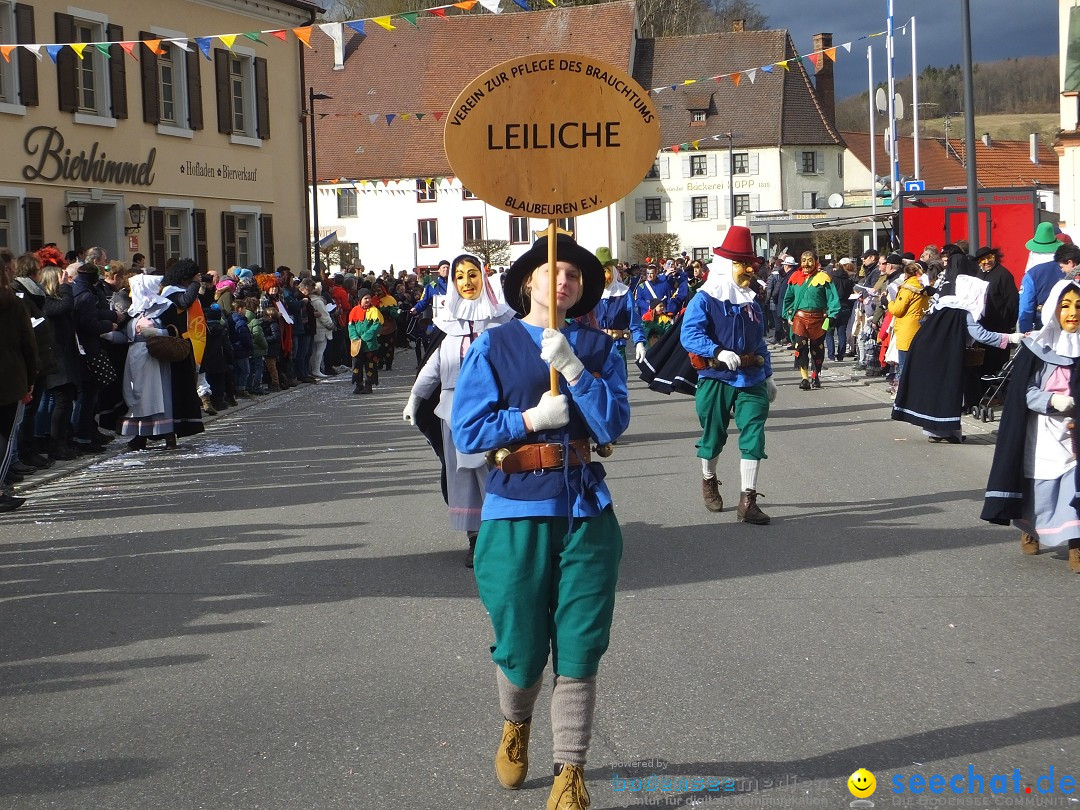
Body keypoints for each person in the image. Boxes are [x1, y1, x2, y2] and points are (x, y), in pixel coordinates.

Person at [451, 233, 628, 809]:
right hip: (515, 512)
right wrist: (527, 418)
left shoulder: (600, 349)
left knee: (579, 645)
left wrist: (574, 368)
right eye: (555, 271)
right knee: (522, 647)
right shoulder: (496, 345)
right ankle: (515, 722)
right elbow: (468, 432)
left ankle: (569, 769)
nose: (566, 280)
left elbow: (612, 425)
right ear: (529, 280)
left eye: (576, 275)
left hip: (585, 512)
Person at [402, 253, 515, 565]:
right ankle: (475, 538)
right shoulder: (447, 327)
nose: (467, 282)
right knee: (463, 474)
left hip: (495, 409)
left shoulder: (501, 322)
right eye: (460, 276)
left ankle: (503, 534)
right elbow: (432, 369)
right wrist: (414, 400)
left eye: (472, 274)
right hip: (455, 413)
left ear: (484, 277)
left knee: (497, 469)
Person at [981, 279, 1080, 573]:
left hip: (1075, 437)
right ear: (1053, 310)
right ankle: (1031, 528)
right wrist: (1053, 402)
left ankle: (1076, 546)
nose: (1073, 312)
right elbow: (1023, 392)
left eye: (1078, 306)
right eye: (1065, 306)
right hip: (1045, 435)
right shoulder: (1038, 349)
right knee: (1043, 489)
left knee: (1073, 489)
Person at [681, 226, 777, 523]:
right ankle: (709, 478)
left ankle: (747, 499)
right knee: (713, 436)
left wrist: (769, 375)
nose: (749, 269)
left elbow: (759, 340)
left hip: (751, 378)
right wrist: (718, 352)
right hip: (715, 378)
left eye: (750, 263)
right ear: (726, 265)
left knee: (754, 435)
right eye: (742, 263)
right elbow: (690, 334)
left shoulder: (751, 300)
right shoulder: (705, 299)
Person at [892, 275, 1022, 444]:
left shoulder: (943, 308)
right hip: (943, 358)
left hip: (927, 353)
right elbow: (981, 335)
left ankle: (939, 431)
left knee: (936, 392)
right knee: (947, 391)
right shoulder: (962, 314)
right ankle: (944, 430)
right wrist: (1011, 338)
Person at [0, 252, 37, 511]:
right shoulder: (11, 302)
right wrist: (31, 377)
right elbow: (28, 343)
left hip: (10, 374)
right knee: (4, 435)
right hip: (9, 377)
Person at [783, 249, 840, 390]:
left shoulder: (824, 278)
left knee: (817, 349)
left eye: (809, 260)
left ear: (815, 262)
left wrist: (832, 315)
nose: (806, 264)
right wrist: (788, 314)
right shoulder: (795, 277)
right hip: (800, 318)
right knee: (800, 347)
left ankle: (815, 375)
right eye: (803, 260)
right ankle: (804, 378)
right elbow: (788, 298)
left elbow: (832, 298)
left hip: (818, 319)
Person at [1018, 243, 1080, 332]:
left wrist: (1026, 331)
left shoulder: (1033, 273)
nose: (1062, 270)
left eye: (1062, 267)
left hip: (1045, 327)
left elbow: (1026, 307)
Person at [348, 288, 382, 394]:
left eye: (369, 298)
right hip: (357, 345)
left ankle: (369, 385)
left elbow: (376, 326)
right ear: (360, 299)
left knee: (370, 365)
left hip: (370, 345)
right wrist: (354, 337)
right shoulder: (354, 311)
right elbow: (351, 326)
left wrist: (366, 336)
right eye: (365, 298)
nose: (368, 300)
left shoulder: (374, 311)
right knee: (357, 365)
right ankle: (359, 384)